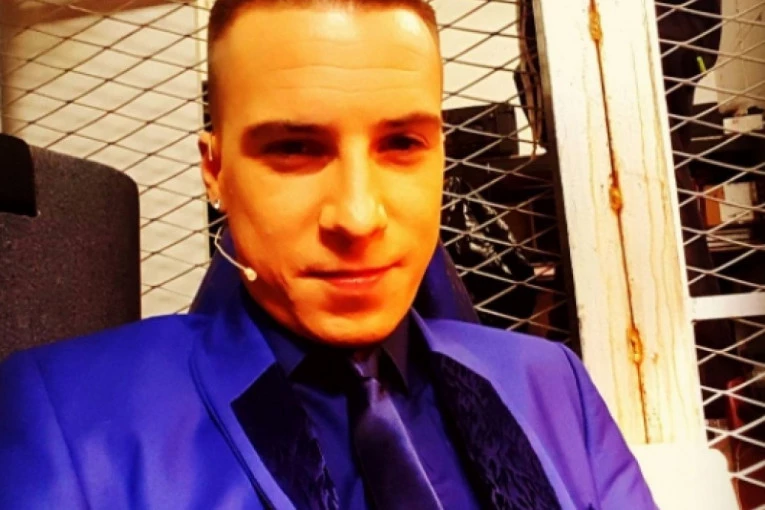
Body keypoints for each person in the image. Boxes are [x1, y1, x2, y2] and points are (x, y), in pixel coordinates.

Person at [0, 1, 657, 508]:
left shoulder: (553, 386)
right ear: (215, 170)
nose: (357, 216)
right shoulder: (70, 415)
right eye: (294, 148)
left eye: (402, 144)